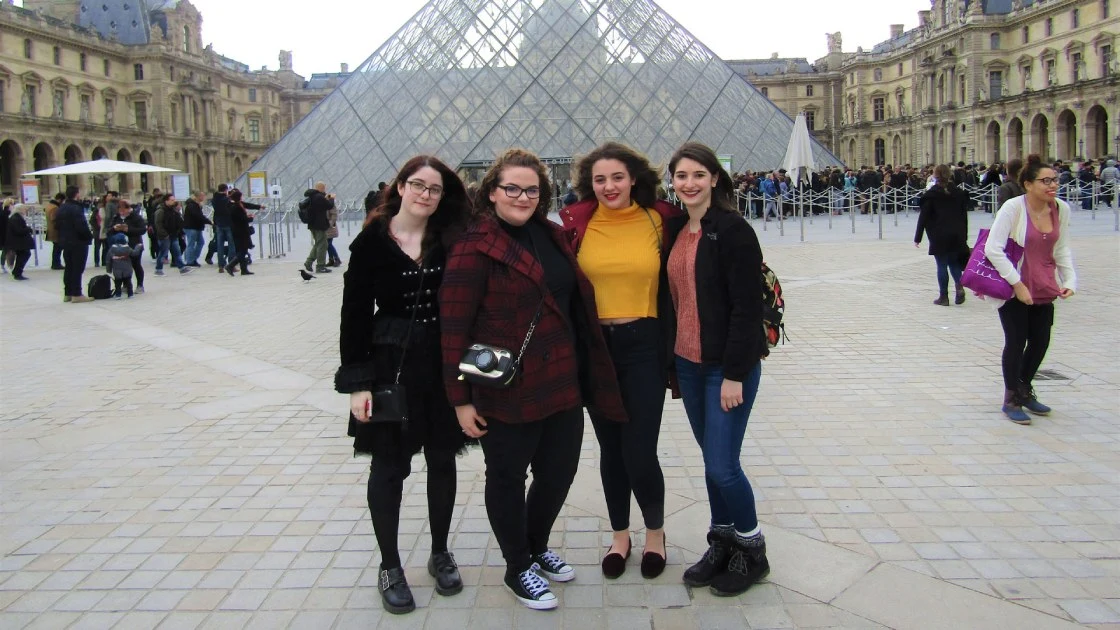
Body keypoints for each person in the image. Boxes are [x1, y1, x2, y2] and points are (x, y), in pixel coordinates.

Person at [439, 149, 626, 611]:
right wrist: (461, 400)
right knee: (506, 476)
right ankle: (516, 564)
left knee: (559, 471)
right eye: (512, 188)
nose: (523, 197)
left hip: (562, 379)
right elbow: (453, 328)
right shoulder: (474, 243)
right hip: (507, 388)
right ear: (492, 192)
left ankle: (536, 543)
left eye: (532, 189)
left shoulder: (552, 234)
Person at [335, 155, 472, 615]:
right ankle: (390, 565)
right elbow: (353, 316)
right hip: (390, 367)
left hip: (441, 363)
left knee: (442, 461)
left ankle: (439, 552)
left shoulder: (450, 236)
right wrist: (357, 385)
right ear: (400, 186)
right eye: (418, 184)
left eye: (435, 189)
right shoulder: (371, 242)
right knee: (388, 467)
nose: (426, 194)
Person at [560, 142, 682, 580]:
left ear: (634, 178)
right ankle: (619, 535)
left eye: (617, 177)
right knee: (610, 449)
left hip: (643, 344)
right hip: (597, 347)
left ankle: (655, 534)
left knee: (639, 449)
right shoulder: (578, 224)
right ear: (588, 185)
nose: (609, 186)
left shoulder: (661, 219)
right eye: (599, 179)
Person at [664, 142, 769, 597]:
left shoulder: (733, 230)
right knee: (711, 463)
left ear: (714, 179)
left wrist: (733, 373)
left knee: (724, 466)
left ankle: (752, 549)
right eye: (681, 176)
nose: (688, 184)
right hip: (688, 363)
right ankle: (721, 541)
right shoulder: (677, 231)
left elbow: (747, 309)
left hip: (725, 369)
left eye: (698, 175)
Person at [985, 155, 1077, 425]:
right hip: (1014, 284)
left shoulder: (1061, 209)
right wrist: (1017, 284)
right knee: (1016, 341)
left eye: (1055, 179)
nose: (1053, 185)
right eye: (1045, 181)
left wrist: (1069, 280)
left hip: (1043, 283)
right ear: (1028, 184)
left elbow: (1062, 248)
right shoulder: (1013, 208)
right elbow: (993, 248)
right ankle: (1011, 397)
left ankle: (1025, 388)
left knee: (1040, 341)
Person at [915, 164, 970, 306]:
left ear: (935, 176)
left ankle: (944, 297)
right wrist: (964, 235)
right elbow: (964, 216)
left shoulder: (931, 195)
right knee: (954, 262)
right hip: (957, 233)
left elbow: (924, 217)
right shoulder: (958, 193)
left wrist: (918, 237)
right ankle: (959, 287)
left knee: (941, 264)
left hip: (939, 234)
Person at [56, 185, 94, 303]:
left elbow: (57, 225)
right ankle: (77, 293)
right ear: (77, 194)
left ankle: (68, 293)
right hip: (78, 242)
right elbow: (81, 226)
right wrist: (89, 236)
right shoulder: (76, 208)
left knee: (69, 267)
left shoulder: (61, 208)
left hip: (65, 241)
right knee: (78, 268)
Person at [106, 197, 147, 294]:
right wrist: (114, 229)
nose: (122, 212)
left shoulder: (136, 217)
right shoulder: (116, 217)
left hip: (134, 245)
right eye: (120, 210)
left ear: (128, 209)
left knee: (136, 265)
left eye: (124, 209)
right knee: (123, 266)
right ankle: (125, 285)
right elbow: (109, 231)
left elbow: (142, 230)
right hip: (120, 247)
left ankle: (140, 285)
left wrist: (128, 230)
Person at [154, 195, 193, 276]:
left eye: (174, 200)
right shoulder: (161, 211)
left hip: (173, 235)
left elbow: (178, 221)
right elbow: (158, 224)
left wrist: (180, 231)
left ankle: (182, 268)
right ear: (166, 201)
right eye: (172, 200)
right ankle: (158, 270)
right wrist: (164, 234)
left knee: (177, 252)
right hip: (165, 236)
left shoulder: (173, 210)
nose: (174, 201)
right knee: (163, 253)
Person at [302, 182, 335, 274]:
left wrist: (326, 198)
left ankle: (309, 262)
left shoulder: (313, 196)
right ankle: (320, 266)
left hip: (313, 224)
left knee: (320, 243)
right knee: (322, 245)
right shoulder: (318, 197)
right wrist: (332, 198)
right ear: (322, 188)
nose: (325, 190)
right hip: (319, 224)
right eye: (324, 188)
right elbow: (329, 205)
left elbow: (321, 205)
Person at [224, 189, 255, 276]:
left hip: (239, 231)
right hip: (240, 232)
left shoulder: (235, 206)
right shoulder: (236, 207)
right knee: (242, 251)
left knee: (242, 250)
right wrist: (251, 218)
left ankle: (244, 269)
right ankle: (230, 265)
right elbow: (242, 219)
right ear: (239, 197)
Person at [107, 232, 144, 298]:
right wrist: (138, 247)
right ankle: (130, 294)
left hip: (117, 270)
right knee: (128, 282)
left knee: (117, 283)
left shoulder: (112, 249)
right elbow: (135, 253)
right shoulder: (127, 249)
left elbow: (108, 260)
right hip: (127, 269)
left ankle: (118, 295)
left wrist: (109, 270)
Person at [182, 190, 211, 267]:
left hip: (196, 227)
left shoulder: (196, 205)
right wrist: (209, 222)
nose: (203, 197)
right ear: (197, 197)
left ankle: (193, 259)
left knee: (200, 242)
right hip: (191, 227)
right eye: (202, 196)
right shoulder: (192, 205)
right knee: (191, 244)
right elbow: (198, 216)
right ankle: (190, 261)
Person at [211, 184, 236, 270]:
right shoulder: (227, 200)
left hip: (219, 223)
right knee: (231, 244)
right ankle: (231, 263)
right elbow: (230, 210)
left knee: (220, 245)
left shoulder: (214, 199)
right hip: (228, 223)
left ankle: (221, 265)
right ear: (225, 190)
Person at [5, 203, 34, 280]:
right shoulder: (16, 218)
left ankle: (17, 271)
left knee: (23, 255)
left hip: (19, 242)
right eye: (24, 209)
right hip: (19, 242)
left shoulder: (16, 217)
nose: (25, 210)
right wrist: (28, 229)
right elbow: (18, 230)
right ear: (20, 209)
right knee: (24, 255)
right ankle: (17, 272)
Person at [45, 193, 65, 269]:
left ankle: (56, 263)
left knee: (56, 248)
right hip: (55, 231)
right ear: (60, 200)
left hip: (51, 230)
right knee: (57, 248)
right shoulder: (55, 208)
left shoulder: (49, 206)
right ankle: (56, 264)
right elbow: (54, 219)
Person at [325, 200, 342, 267]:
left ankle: (337, 259)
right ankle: (331, 260)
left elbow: (334, 215)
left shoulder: (330, 203)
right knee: (328, 244)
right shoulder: (325, 203)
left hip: (330, 227)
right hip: (326, 227)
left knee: (328, 244)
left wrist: (330, 224)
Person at [0, 197, 11, 273]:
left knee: (5, 250)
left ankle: (4, 265)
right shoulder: (4, 214)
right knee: (5, 250)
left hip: (4, 235)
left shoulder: (5, 213)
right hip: (4, 235)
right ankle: (3, 265)